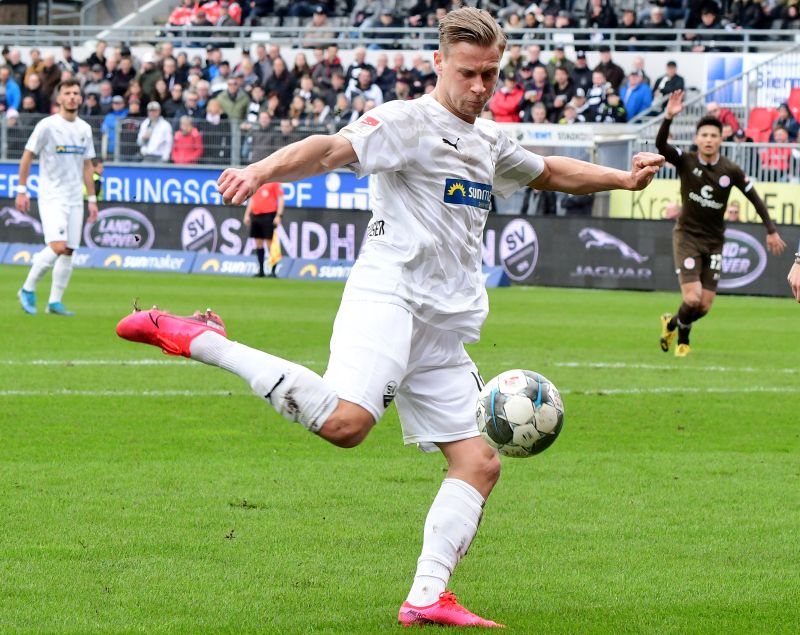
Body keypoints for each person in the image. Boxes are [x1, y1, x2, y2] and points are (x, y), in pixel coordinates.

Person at [115, 7, 663, 627]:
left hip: (445, 327)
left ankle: (427, 596)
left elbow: (550, 171)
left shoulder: (487, 140)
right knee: (348, 425)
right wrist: (261, 169)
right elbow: (329, 149)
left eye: (490, 75)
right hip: (390, 297)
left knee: (479, 463)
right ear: (438, 64)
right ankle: (205, 340)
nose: (480, 88)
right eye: (468, 74)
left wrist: (622, 176)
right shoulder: (406, 122)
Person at [656, 90, 785, 357]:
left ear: (721, 138)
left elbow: (755, 198)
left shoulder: (731, 170)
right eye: (704, 135)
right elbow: (661, 147)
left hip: (714, 241)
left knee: (703, 306)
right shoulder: (686, 161)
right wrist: (668, 117)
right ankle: (683, 336)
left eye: (713, 135)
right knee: (692, 298)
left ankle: (672, 323)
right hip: (687, 237)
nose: (708, 139)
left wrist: (771, 230)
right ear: (697, 139)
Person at [16, 79, 98, 316]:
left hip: (75, 198)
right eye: (67, 93)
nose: (72, 97)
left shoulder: (84, 129)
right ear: (59, 98)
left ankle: (54, 302)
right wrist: (22, 190)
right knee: (57, 246)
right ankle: (27, 288)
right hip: (52, 196)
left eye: (76, 93)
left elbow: (87, 165)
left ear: (80, 98)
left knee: (70, 249)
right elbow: (27, 156)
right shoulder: (47, 126)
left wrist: (92, 200)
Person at [243, 181, 284, 277]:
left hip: (269, 215)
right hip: (256, 215)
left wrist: (279, 215)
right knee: (258, 243)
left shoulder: (274, 182)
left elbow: (281, 199)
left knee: (270, 243)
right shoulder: (257, 182)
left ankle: (273, 271)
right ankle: (261, 270)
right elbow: (252, 200)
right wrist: (247, 214)